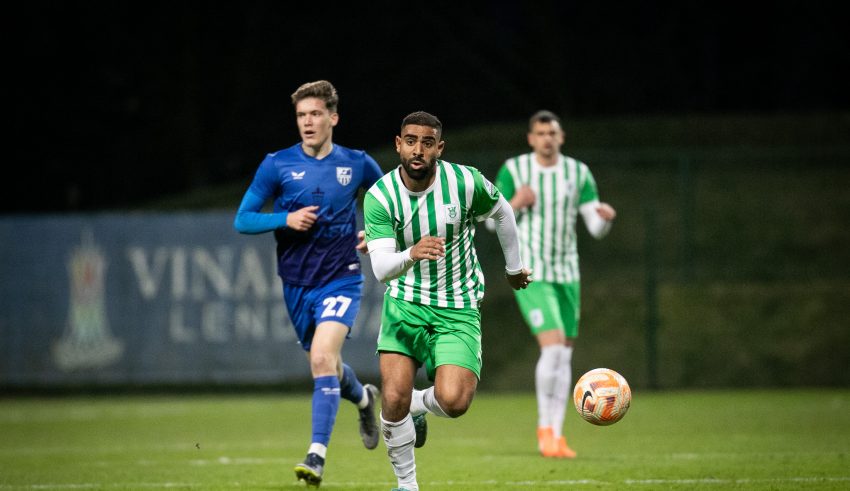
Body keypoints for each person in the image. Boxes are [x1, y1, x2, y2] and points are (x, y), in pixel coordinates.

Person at [363, 111, 532, 491]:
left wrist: (514, 268)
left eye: (427, 143)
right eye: (410, 141)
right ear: (398, 144)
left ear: (439, 148)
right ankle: (407, 485)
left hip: (457, 306)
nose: (417, 150)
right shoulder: (381, 196)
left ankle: (418, 406)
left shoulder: (465, 182)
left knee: (454, 402)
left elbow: (503, 212)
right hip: (405, 305)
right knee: (393, 397)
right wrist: (412, 253)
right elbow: (381, 269)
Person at [233, 80, 384, 487]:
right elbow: (243, 219)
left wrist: (374, 233)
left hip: (341, 277)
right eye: (301, 115)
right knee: (327, 365)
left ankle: (315, 455)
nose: (307, 122)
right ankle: (364, 398)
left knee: (321, 359)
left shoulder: (357, 163)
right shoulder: (277, 164)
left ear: (333, 118)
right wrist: (285, 219)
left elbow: (392, 204)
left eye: (315, 113)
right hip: (297, 282)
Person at [491, 110, 616, 459]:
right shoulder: (515, 170)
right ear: (531, 138)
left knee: (564, 353)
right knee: (554, 346)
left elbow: (595, 227)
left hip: (567, 273)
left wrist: (605, 219)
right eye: (541, 133)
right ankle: (544, 429)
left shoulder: (578, 172)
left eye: (552, 133)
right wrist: (516, 203)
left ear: (561, 137)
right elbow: (489, 220)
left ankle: (557, 434)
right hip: (532, 271)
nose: (547, 138)